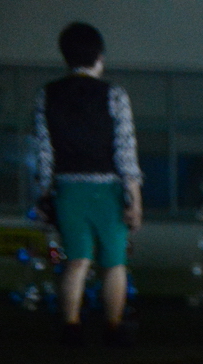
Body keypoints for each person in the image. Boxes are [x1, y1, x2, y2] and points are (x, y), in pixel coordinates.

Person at [34, 22, 142, 347]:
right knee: (113, 262)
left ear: (65, 57)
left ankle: (71, 327)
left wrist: (44, 196)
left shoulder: (47, 94)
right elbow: (125, 149)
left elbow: (43, 151)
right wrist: (134, 198)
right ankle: (113, 326)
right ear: (100, 56)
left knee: (75, 260)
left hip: (67, 188)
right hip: (107, 188)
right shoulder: (114, 94)